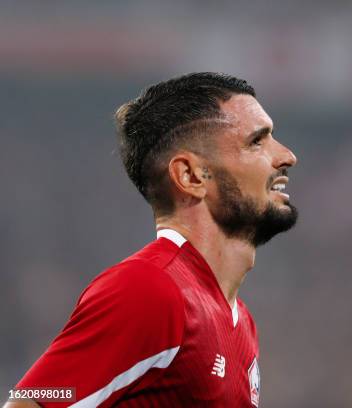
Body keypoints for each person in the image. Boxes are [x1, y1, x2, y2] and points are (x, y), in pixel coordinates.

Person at [5, 72, 298, 407]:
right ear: (190, 176)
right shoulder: (150, 290)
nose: (287, 155)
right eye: (256, 141)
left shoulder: (239, 320)